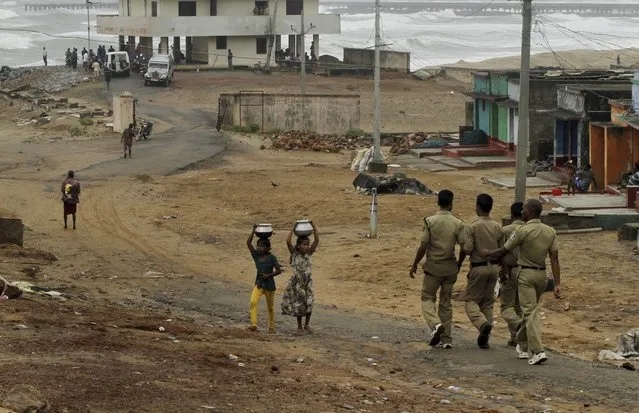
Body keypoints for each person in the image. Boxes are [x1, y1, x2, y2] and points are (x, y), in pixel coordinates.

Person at [481, 199, 562, 366]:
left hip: (525, 274)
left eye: (524, 209)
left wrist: (488, 253)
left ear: (530, 212)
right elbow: (554, 258)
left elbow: (505, 250)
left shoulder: (522, 230)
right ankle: (522, 345)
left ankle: (538, 351)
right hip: (542, 275)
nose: (522, 212)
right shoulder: (550, 231)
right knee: (529, 311)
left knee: (530, 313)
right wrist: (557, 283)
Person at [409, 189, 465, 349]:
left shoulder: (430, 221)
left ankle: (435, 325)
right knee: (446, 303)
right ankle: (446, 339)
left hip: (433, 268)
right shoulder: (458, 223)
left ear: (438, 202)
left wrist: (415, 263)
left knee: (427, 298)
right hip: (450, 268)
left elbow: (423, 245)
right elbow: (465, 247)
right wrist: (459, 264)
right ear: (451, 203)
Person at [457, 194, 502, 350]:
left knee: (471, 301)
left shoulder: (473, 226)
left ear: (478, 207)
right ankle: (485, 338)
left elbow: (468, 249)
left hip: (478, 267)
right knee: (488, 303)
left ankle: (482, 324)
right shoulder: (497, 226)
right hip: (494, 268)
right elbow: (502, 249)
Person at [282, 221, 319, 333]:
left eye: (307, 244)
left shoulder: (309, 254)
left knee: (309, 303)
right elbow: (287, 241)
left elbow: (317, 240)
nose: (307, 247)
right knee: (299, 304)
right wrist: (293, 228)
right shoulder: (295, 254)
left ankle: (307, 324)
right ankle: (299, 327)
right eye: (304, 244)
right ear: (298, 246)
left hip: (308, 283)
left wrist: (313, 226)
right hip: (298, 284)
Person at [247, 226, 282, 333]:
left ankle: (271, 328)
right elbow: (248, 243)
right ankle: (254, 324)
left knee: (270, 308)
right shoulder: (256, 256)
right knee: (253, 301)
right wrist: (253, 230)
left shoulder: (272, 258)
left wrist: (268, 275)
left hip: (270, 285)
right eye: (258, 246)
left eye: (261, 246)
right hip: (259, 284)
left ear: (267, 248)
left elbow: (279, 270)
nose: (259, 248)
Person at [500, 202, 525, 348]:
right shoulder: (530, 230)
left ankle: (520, 326)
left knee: (506, 307)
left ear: (511, 214)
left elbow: (501, 253)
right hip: (525, 270)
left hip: (510, 270)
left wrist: (503, 272)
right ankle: (516, 338)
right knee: (518, 306)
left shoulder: (505, 230)